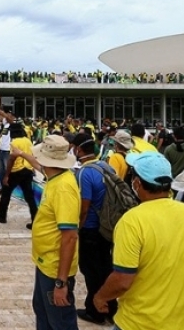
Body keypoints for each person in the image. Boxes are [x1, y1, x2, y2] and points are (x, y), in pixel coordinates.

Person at [93, 151, 184, 330]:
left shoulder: (132, 221)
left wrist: (100, 297)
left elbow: (123, 279)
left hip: (139, 323)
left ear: (138, 183)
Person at [15, 134, 81, 330]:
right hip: (45, 262)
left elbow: (69, 237)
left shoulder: (63, 189)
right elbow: (39, 166)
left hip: (55, 269)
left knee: (60, 320)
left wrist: (61, 283)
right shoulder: (55, 175)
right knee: (42, 311)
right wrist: (22, 155)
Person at [71, 133, 116, 324]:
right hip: (107, 227)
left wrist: (77, 229)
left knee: (91, 272)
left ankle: (95, 310)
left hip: (90, 229)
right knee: (105, 268)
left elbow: (84, 206)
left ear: (79, 149)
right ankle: (111, 308)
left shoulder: (84, 172)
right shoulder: (107, 166)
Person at [0, 122, 37, 227]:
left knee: (6, 192)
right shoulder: (28, 141)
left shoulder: (14, 142)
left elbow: (11, 159)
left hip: (16, 170)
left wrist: (6, 175)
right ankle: (35, 220)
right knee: (29, 196)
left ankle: (2, 216)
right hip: (28, 170)